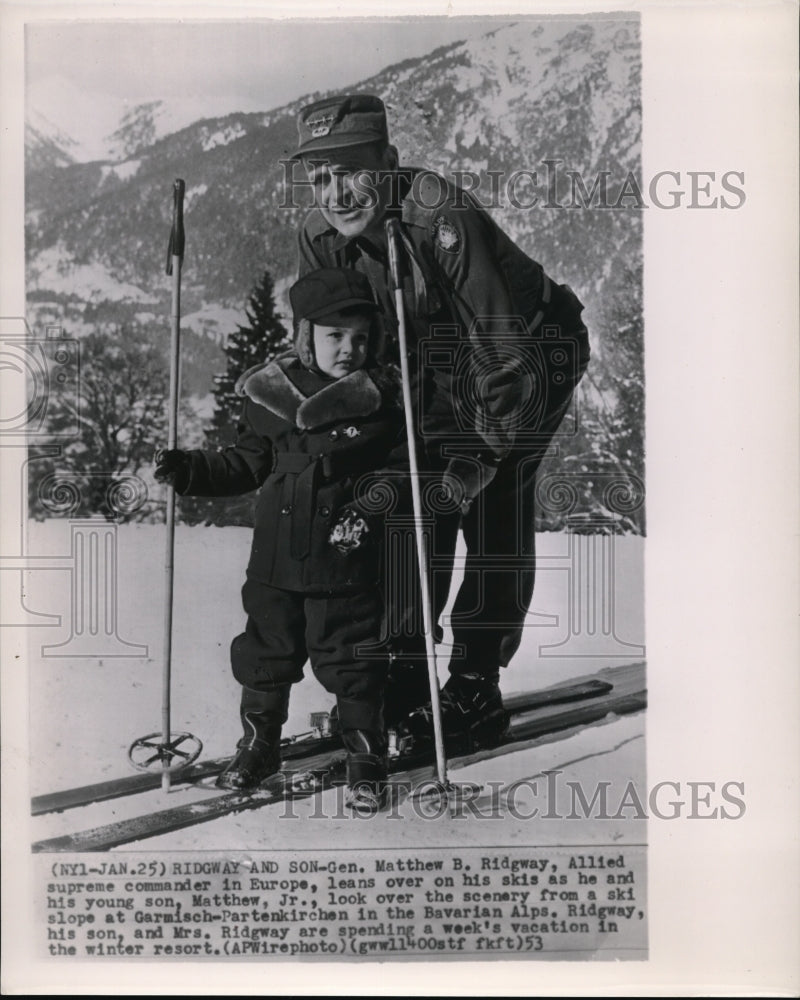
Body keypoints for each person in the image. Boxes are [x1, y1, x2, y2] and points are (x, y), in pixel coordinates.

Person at [290, 93, 591, 749]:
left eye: (350, 171)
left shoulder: (440, 219)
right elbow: (330, 345)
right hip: (433, 368)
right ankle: (400, 670)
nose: (336, 193)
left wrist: (473, 461)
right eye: (320, 179)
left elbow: (500, 358)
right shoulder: (322, 241)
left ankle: (476, 683)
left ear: (388, 163)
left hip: (529, 351)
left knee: (492, 501)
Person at [155, 267, 418, 812]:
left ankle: (366, 757)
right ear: (305, 337)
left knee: (352, 660)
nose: (349, 348)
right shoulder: (269, 397)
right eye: (334, 336)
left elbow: (399, 476)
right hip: (275, 563)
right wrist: (190, 471)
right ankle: (259, 744)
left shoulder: (384, 404)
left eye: (361, 337)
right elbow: (244, 465)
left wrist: (368, 509)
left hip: (344, 563)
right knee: (264, 654)